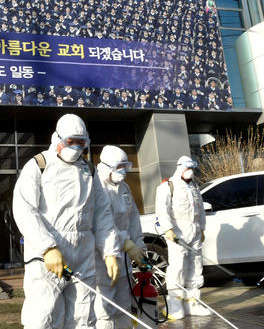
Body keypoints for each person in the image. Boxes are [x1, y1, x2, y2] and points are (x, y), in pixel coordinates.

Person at [13, 113, 120, 328]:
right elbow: (24, 209)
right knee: (43, 316)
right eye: (70, 142)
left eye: (81, 143)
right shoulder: (39, 165)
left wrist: (110, 252)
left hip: (83, 253)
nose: (76, 148)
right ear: (57, 139)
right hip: (47, 257)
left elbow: (102, 214)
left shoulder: (88, 170)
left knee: (83, 317)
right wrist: (47, 247)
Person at [94, 145, 146, 329]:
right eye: (119, 166)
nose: (123, 171)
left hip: (124, 255)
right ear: (107, 166)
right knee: (104, 306)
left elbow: (133, 218)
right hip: (101, 257)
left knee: (124, 305)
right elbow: (100, 224)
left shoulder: (124, 188)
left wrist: (139, 247)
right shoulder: (96, 187)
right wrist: (125, 242)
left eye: (126, 166)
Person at [155, 155, 210, 319]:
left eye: (192, 168)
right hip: (178, 233)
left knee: (195, 266)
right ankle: (174, 305)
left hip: (194, 231)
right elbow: (162, 210)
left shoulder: (194, 187)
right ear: (180, 168)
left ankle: (192, 302)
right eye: (187, 168)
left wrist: (202, 229)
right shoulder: (168, 186)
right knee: (178, 267)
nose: (190, 171)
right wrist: (168, 229)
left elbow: (199, 209)